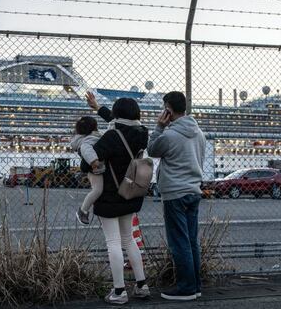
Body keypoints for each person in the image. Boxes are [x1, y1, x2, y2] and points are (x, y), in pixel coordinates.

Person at [82, 92, 150, 304]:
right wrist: (97, 107)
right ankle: (142, 285)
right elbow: (118, 124)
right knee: (129, 239)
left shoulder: (111, 137)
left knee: (113, 242)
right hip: (130, 192)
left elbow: (87, 165)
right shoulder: (142, 133)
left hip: (110, 196)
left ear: (117, 115)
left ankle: (119, 292)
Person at [147, 91, 206, 301]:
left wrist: (159, 126)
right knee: (191, 242)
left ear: (168, 110)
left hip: (175, 193)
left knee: (179, 242)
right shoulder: (199, 133)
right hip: (193, 191)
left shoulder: (169, 135)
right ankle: (195, 285)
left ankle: (186, 288)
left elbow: (152, 149)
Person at [70, 116, 106, 225]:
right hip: (96, 170)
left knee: (99, 190)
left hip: (94, 170)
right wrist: (94, 162)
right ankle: (83, 210)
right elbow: (86, 149)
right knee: (97, 190)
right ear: (94, 128)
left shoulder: (85, 138)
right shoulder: (89, 139)